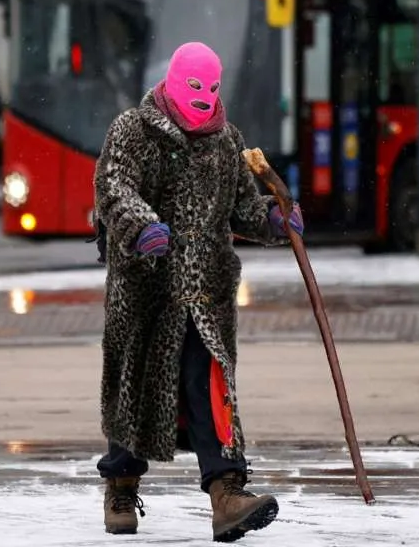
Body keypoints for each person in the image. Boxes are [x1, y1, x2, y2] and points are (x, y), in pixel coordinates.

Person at [92, 41, 304, 541]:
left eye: (212, 87)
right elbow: (114, 187)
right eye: (195, 86)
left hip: (206, 295)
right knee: (136, 387)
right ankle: (120, 486)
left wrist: (274, 219)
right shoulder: (132, 129)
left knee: (211, 391)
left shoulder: (226, 140)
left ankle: (227, 495)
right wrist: (141, 225)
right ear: (172, 81)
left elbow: (242, 208)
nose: (205, 97)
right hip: (145, 290)